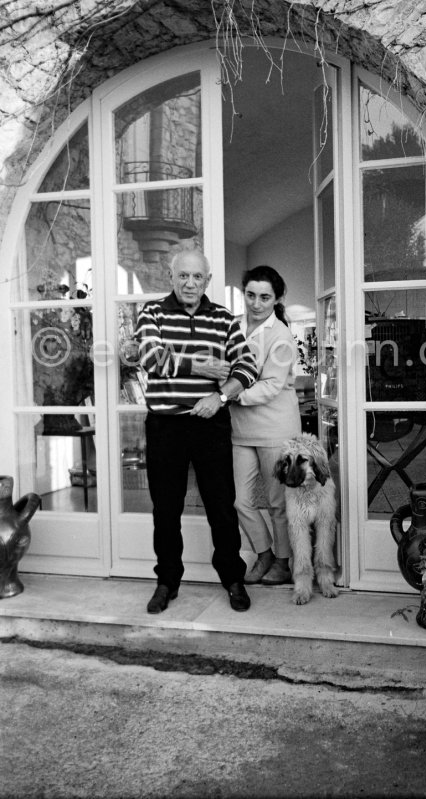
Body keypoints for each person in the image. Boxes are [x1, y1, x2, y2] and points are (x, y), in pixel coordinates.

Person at [136, 246, 258, 615]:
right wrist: (204, 367)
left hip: (210, 423)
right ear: (171, 278)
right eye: (183, 276)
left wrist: (220, 396)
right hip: (166, 425)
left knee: (221, 507)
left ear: (207, 279)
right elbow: (149, 357)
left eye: (197, 277)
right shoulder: (152, 312)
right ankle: (167, 582)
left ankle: (233, 579)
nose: (190, 283)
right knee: (166, 509)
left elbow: (247, 367)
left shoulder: (223, 318)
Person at [230, 265, 302, 585]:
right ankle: (264, 553)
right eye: (250, 295)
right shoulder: (232, 327)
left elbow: (272, 385)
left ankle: (283, 563)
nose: (256, 304)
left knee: (278, 502)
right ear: (243, 293)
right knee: (239, 499)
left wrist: (228, 395)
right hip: (239, 430)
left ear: (276, 299)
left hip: (276, 429)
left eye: (264, 297)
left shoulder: (281, 335)